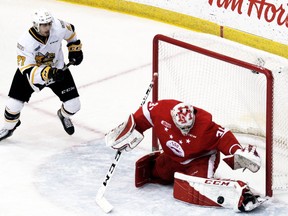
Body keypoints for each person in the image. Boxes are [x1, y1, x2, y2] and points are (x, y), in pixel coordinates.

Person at [105, 99, 264, 212]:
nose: (185, 131)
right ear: (172, 117)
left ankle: (242, 193)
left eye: (188, 127)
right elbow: (143, 114)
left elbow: (223, 136)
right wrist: (128, 131)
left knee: (195, 189)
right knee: (158, 173)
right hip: (172, 157)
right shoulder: (160, 110)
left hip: (200, 160)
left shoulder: (205, 125)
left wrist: (237, 150)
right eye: (182, 128)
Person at [0, 9, 83, 141]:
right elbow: (27, 70)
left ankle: (63, 115)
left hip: (58, 69)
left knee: (74, 106)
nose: (48, 27)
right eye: (44, 25)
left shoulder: (58, 26)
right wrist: (48, 73)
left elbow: (71, 31)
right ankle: (9, 128)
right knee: (13, 106)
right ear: (36, 25)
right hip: (32, 74)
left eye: (49, 23)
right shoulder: (25, 42)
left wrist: (75, 49)